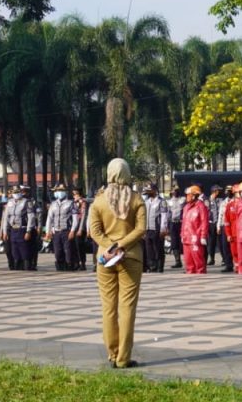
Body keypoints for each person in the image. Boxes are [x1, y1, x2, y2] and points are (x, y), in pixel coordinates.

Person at [88, 158, 146, 369]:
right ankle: (123, 358)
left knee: (108, 307)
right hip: (131, 257)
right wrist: (121, 245)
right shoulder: (136, 199)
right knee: (127, 307)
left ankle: (112, 354)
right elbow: (141, 230)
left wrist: (110, 246)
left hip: (105, 259)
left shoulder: (99, 201)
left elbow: (94, 232)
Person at [1, 185, 36, 271]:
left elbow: (31, 217)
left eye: (18, 192)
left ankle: (27, 268)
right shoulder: (10, 202)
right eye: (14, 192)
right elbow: (6, 218)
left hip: (22, 229)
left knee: (24, 251)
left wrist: (28, 231)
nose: (16, 194)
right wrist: (5, 231)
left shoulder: (26, 202)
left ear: (21, 192)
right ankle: (17, 268)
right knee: (15, 251)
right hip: (13, 229)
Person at [180, 185, 209, 274]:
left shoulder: (201, 206)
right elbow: (184, 222)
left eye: (188, 195)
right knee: (188, 261)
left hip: (196, 238)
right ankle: (190, 277)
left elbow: (204, 222)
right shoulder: (186, 207)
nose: (187, 197)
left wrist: (203, 236)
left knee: (198, 261)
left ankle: (201, 278)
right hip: (186, 238)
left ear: (194, 195)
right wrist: (182, 235)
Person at [167, 187, 184, 269]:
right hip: (173, 223)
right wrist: (167, 225)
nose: (175, 192)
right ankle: (177, 261)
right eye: (173, 191)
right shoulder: (169, 201)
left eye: (176, 191)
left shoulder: (183, 200)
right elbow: (168, 214)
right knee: (174, 242)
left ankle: (188, 261)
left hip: (181, 223)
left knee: (183, 242)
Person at [207, 185, 222, 266]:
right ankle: (212, 258)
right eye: (218, 191)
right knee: (211, 242)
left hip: (218, 223)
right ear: (214, 191)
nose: (219, 192)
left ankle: (224, 259)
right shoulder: (207, 200)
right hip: (211, 223)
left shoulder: (220, 200)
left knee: (220, 242)